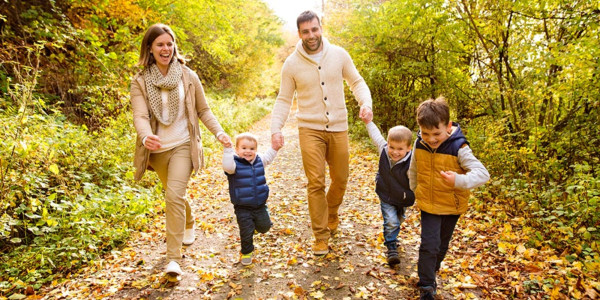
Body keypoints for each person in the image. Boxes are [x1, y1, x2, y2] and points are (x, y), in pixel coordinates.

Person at [130, 24, 232, 277]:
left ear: (174, 46)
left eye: (169, 43)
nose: (166, 49)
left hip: (184, 145)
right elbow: (140, 116)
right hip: (157, 150)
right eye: (160, 45)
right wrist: (146, 137)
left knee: (173, 196)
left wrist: (218, 132)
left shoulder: (188, 76)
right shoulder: (140, 82)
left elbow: (203, 110)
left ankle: (173, 259)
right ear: (150, 49)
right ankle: (189, 220)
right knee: (174, 194)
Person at [270, 10, 373, 255]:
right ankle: (320, 235)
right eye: (306, 31)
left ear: (320, 27)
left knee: (341, 178)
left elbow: (356, 81)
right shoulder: (291, 64)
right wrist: (276, 128)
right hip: (309, 128)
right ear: (299, 34)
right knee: (315, 182)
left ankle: (332, 211)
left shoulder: (339, 55)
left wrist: (365, 103)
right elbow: (284, 99)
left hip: (338, 126)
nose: (311, 35)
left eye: (314, 29)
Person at [407, 97, 490, 299]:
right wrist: (414, 191)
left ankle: (431, 270)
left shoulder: (459, 148)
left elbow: (483, 174)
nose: (431, 139)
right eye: (425, 133)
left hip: (451, 206)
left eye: (436, 133)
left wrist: (458, 181)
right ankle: (426, 285)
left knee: (441, 245)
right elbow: (413, 170)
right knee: (429, 244)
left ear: (448, 126)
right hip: (428, 204)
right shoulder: (419, 143)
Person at [360, 114, 415, 267]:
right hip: (386, 194)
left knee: (398, 220)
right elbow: (376, 136)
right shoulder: (384, 150)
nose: (395, 152)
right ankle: (391, 246)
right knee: (391, 221)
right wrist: (368, 122)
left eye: (400, 149)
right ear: (388, 144)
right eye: (392, 147)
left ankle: (393, 235)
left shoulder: (413, 160)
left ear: (409, 148)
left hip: (403, 197)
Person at [222, 133, 280, 265]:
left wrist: (275, 148)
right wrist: (227, 149)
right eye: (244, 148)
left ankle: (258, 224)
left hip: (260, 205)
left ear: (256, 150)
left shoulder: (259, 160)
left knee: (265, 227)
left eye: (252, 149)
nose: (248, 151)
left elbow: (269, 157)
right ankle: (246, 253)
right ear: (237, 150)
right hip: (243, 207)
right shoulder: (234, 165)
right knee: (246, 232)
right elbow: (227, 166)